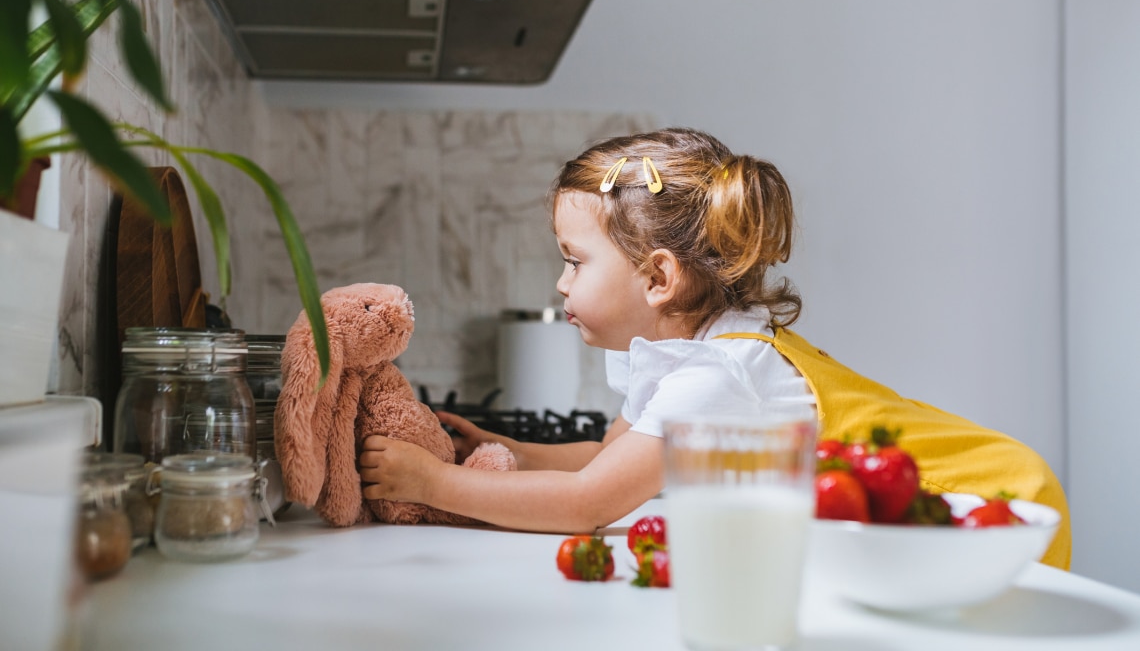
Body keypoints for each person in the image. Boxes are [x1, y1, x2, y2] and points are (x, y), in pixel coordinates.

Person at [359, 127, 1071, 569]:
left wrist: (432, 484)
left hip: (981, 507)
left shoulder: (720, 373)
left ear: (658, 278)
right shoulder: (679, 355)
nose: (561, 280)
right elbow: (609, 461)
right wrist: (501, 446)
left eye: (575, 261)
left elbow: (587, 505)